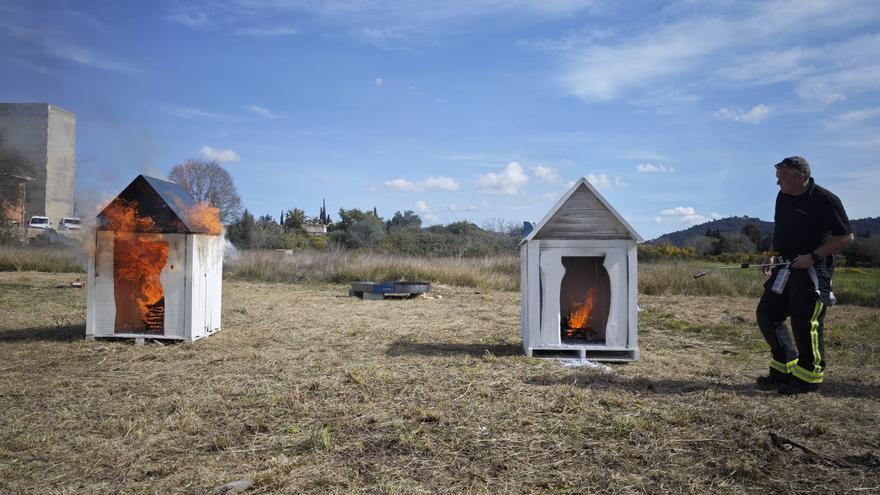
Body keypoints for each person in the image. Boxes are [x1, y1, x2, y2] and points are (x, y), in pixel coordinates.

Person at [755, 156, 853, 395]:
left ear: (800, 177)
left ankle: (808, 378)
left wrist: (813, 257)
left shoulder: (826, 200)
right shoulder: (783, 197)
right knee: (768, 313)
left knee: (804, 321)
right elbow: (780, 229)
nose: (778, 183)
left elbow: (844, 237)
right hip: (785, 266)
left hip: (812, 269)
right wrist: (771, 253)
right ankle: (784, 368)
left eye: (782, 178)